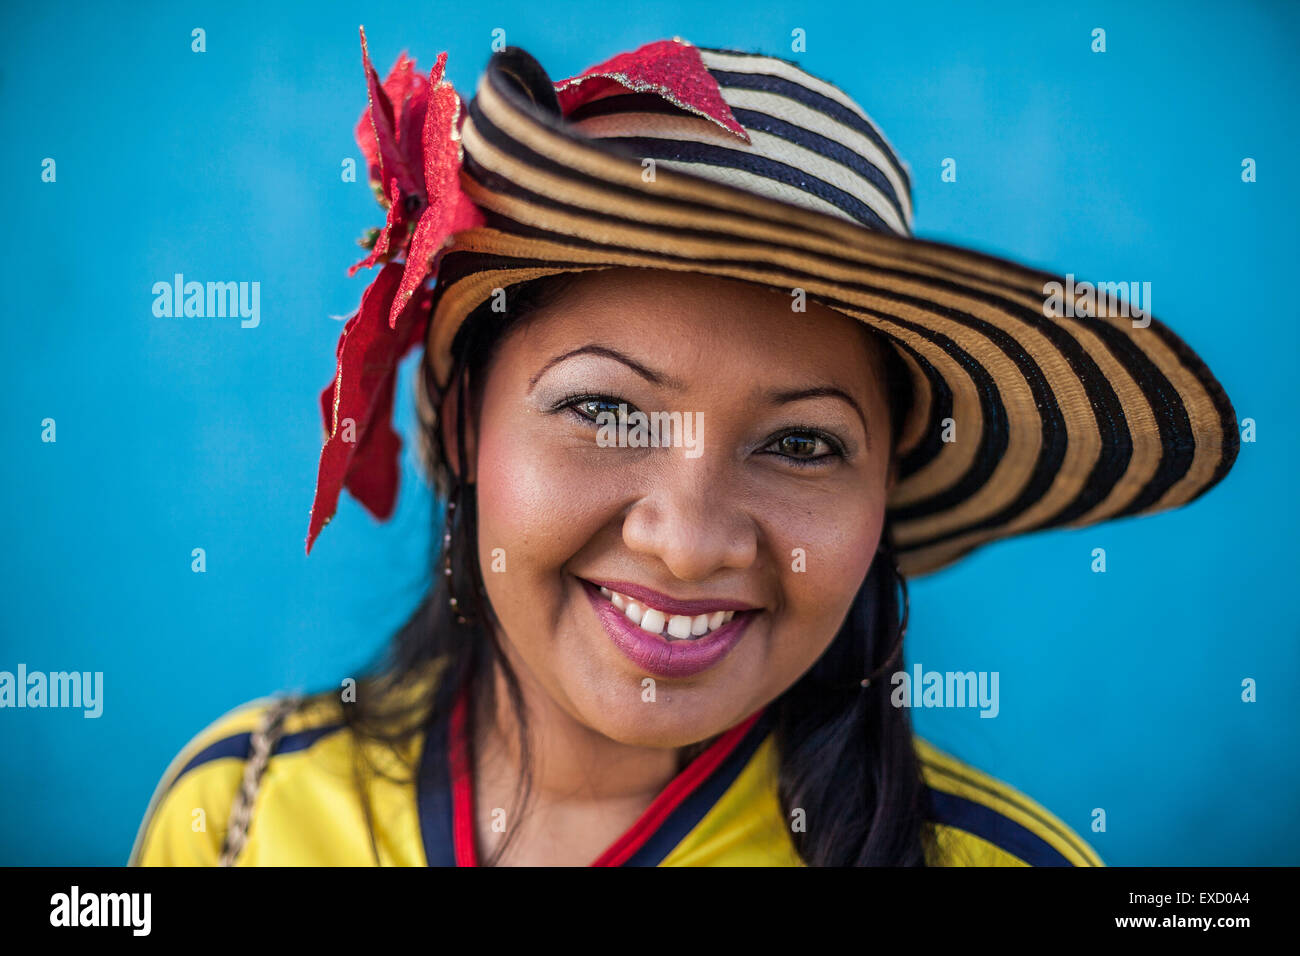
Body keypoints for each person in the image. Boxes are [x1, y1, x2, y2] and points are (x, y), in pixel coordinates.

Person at [130, 33, 1237, 867]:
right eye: (606, 412)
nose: (688, 539)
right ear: (467, 419)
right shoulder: (240, 814)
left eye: (802, 441)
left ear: (887, 484)